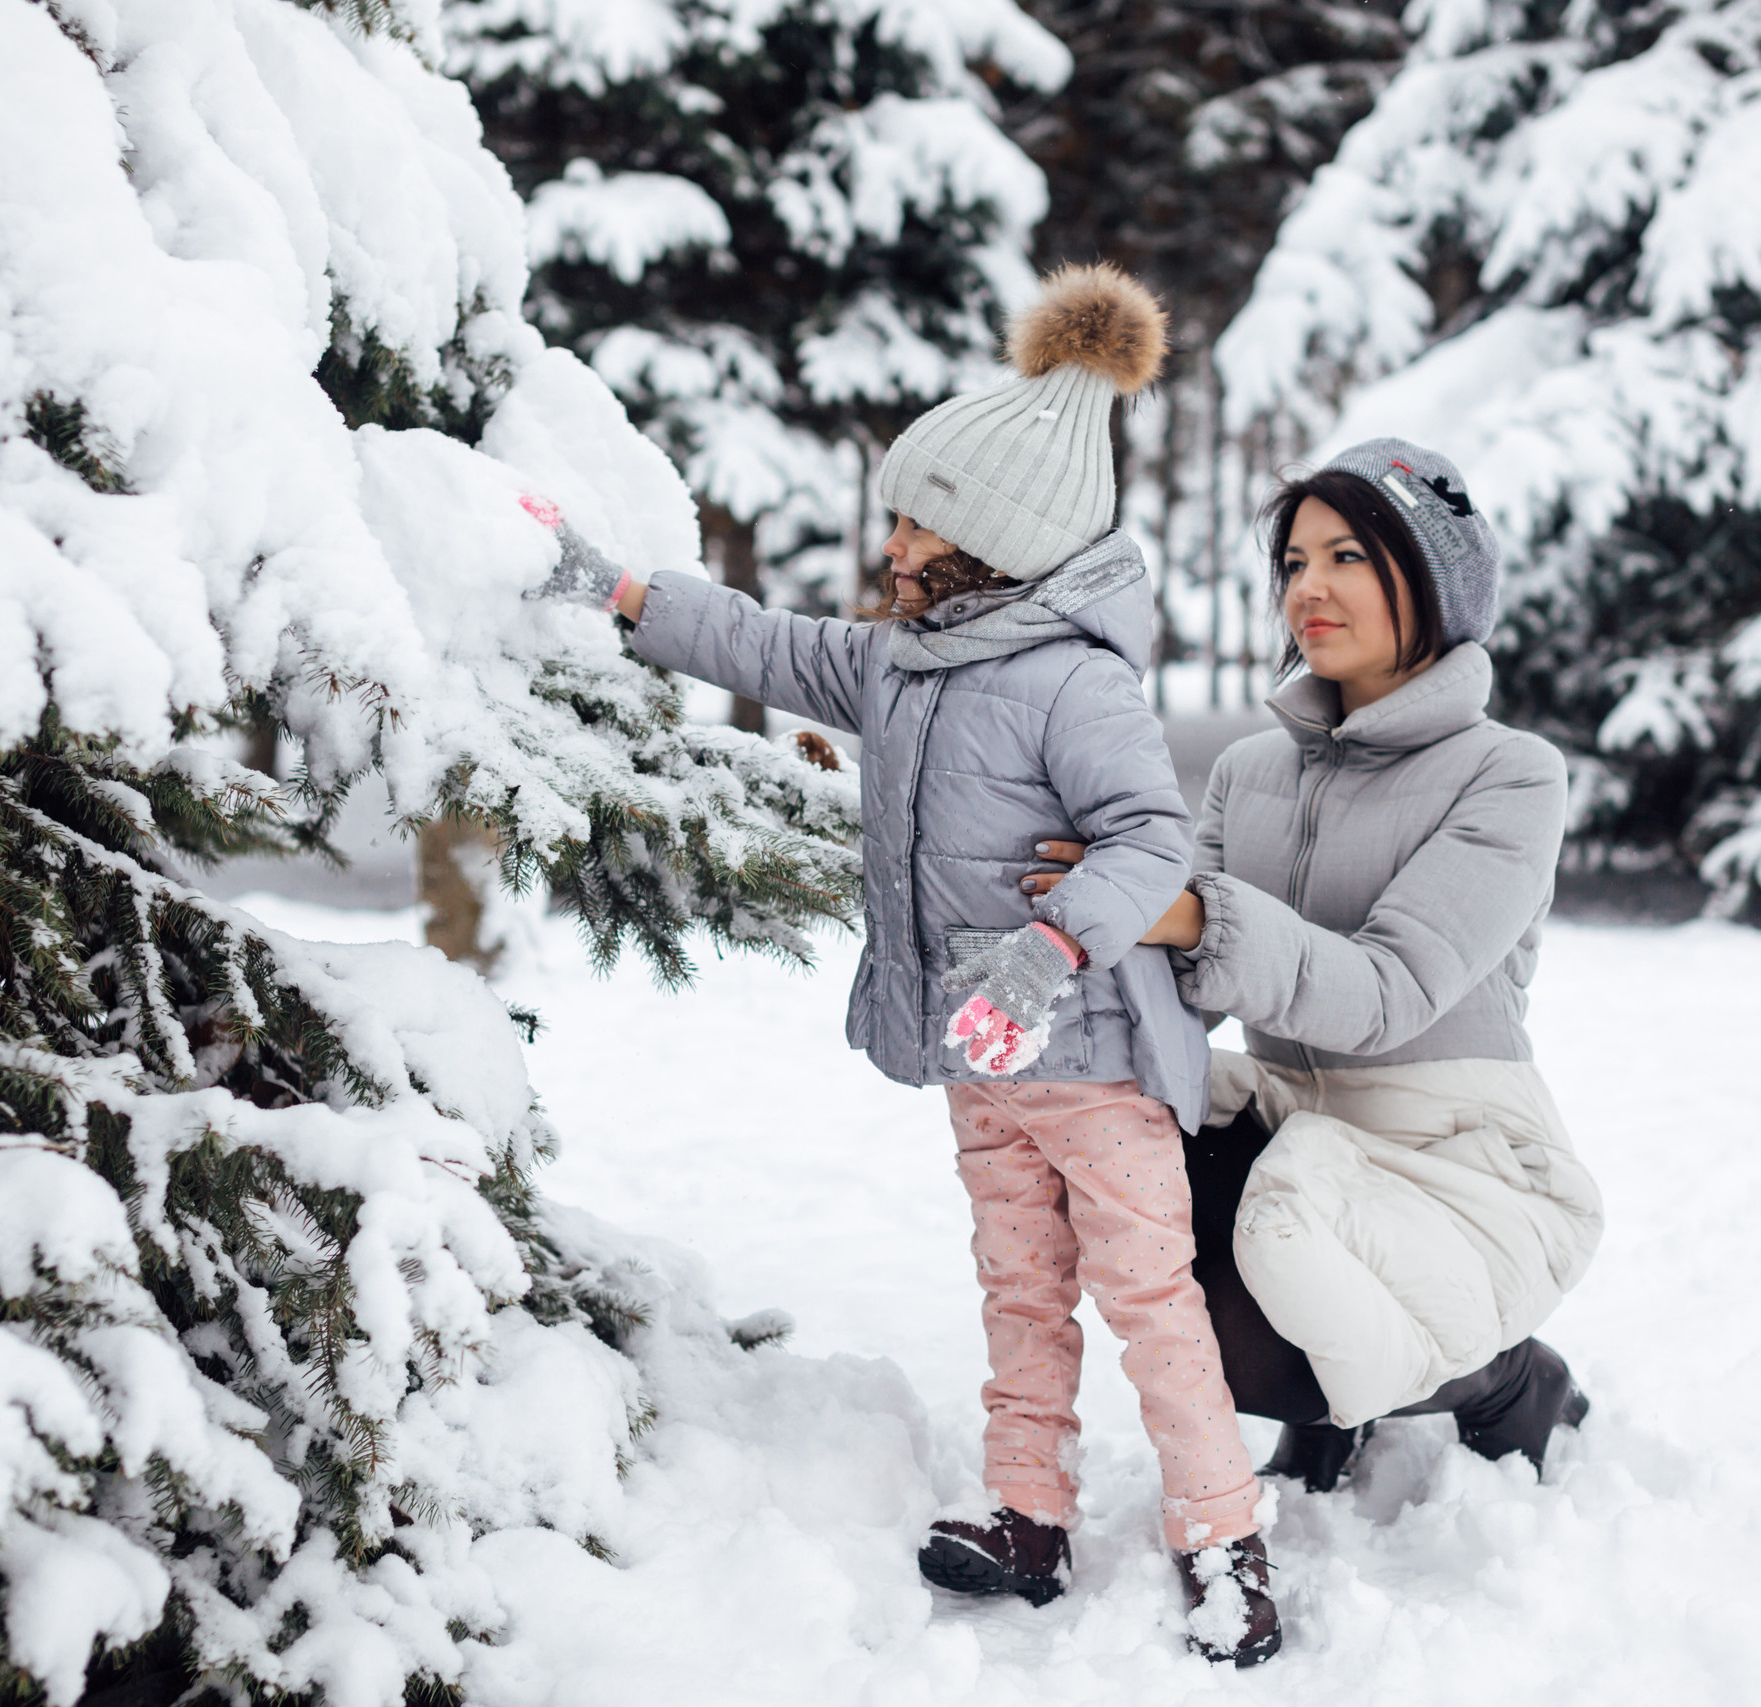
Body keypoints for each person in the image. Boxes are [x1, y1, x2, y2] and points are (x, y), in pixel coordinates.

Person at [532, 265, 1279, 1665]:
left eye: (916, 520)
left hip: (1093, 1057)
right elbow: (763, 642)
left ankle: (1223, 1537)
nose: (891, 543)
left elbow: (1150, 841)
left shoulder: (1077, 682)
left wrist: (1049, 948)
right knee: (1018, 1288)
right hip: (976, 1056)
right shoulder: (899, 662)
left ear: (992, 537)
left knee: (1147, 1299)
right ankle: (1027, 1510)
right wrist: (624, 591)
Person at [1023, 438, 1602, 1494]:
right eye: (1293, 563)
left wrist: (1187, 914)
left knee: (1268, 1348)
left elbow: (1388, 991)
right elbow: (1180, 974)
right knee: (1115, 1187)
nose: (1308, 589)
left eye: (1347, 557)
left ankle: (1508, 1380)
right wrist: (1081, 929)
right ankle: (1346, 1398)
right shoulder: (1249, 770)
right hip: (1289, 1118)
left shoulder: (1510, 775)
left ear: (1432, 582)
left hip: (1447, 1153)